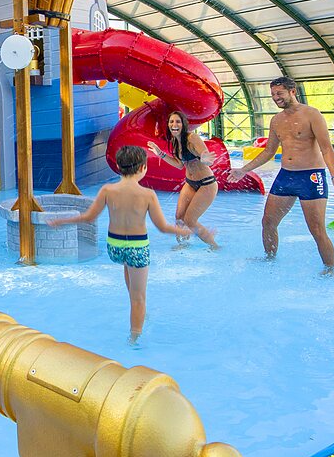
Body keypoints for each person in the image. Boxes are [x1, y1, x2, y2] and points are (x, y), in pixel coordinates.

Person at [49, 145, 190, 344]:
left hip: (114, 248)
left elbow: (89, 217)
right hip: (137, 249)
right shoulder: (147, 194)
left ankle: (136, 308)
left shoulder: (107, 190)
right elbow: (163, 227)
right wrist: (185, 230)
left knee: (128, 271)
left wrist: (61, 221)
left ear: (119, 167)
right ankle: (134, 338)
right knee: (139, 297)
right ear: (142, 168)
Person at [228, 76, 334, 273]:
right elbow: (268, 152)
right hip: (286, 176)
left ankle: (331, 269)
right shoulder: (276, 120)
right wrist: (243, 170)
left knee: (317, 230)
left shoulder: (312, 114)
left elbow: (327, 149)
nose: (275, 98)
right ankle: (270, 259)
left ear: (292, 91)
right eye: (273, 94)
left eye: (279, 93)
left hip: (311, 177)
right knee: (268, 222)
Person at [146, 110, 220, 250]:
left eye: (178, 121)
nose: (174, 124)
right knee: (179, 218)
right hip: (190, 183)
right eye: (171, 122)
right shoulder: (175, 141)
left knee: (190, 221)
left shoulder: (192, 138)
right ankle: (183, 245)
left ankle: (215, 246)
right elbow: (180, 164)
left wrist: (203, 158)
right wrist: (160, 153)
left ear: (183, 124)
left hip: (206, 183)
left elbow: (204, 154)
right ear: (168, 125)